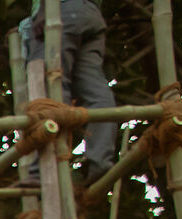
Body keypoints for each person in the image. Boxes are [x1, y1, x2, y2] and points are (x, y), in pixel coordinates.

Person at [24, 2, 117, 182]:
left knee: (50, 81)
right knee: (94, 91)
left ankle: (43, 171)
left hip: (62, 10)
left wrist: (44, 10)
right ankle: (100, 161)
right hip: (89, 13)